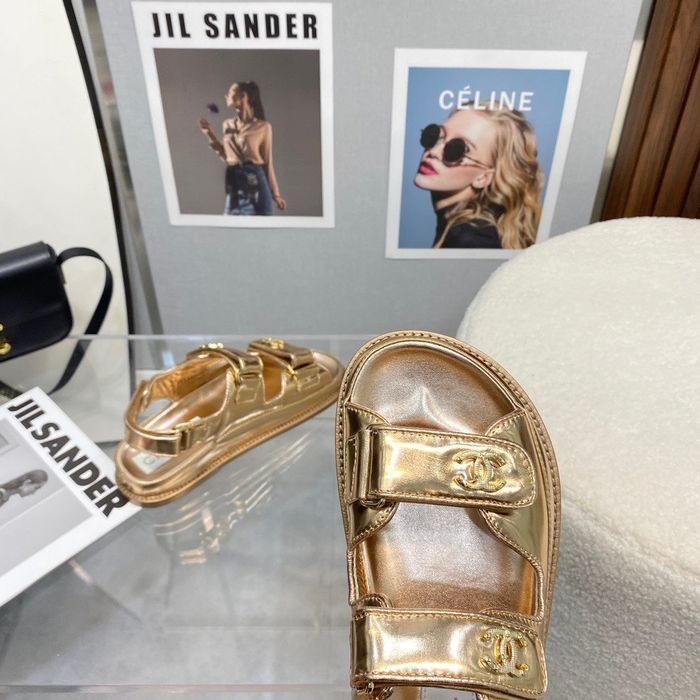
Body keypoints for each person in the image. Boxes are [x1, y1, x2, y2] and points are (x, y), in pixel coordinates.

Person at [414, 105, 543, 249]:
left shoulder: (470, 240)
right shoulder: (464, 230)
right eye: (438, 136)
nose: (434, 152)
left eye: (457, 149)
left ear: (483, 177)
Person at [198, 81, 286, 216]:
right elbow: (227, 158)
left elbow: (268, 163)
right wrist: (209, 133)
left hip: (256, 187)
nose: (226, 96)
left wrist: (276, 194)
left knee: (258, 228)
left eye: (230, 93)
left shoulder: (263, 127)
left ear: (243, 96)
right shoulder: (227, 124)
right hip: (234, 187)